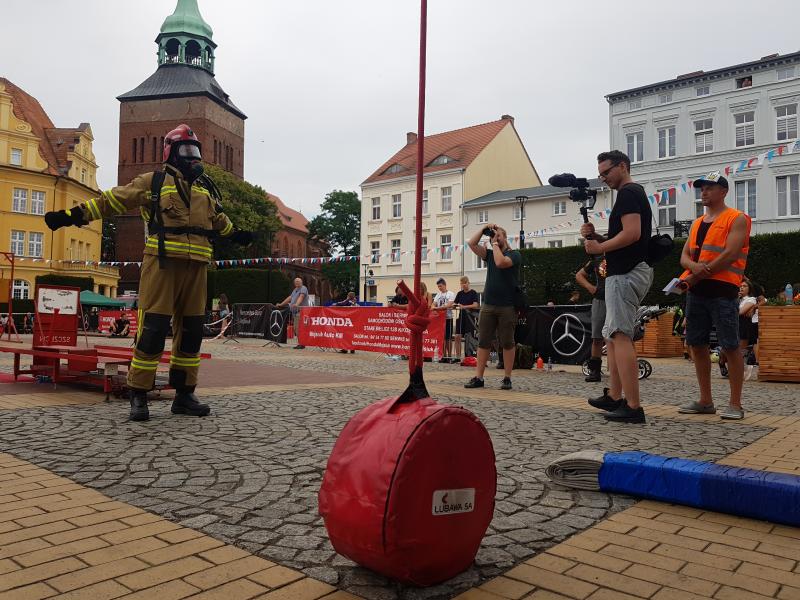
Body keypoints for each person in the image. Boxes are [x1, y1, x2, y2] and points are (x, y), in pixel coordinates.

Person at [44, 123, 253, 422]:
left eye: (196, 151)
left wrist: (238, 235)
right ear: (171, 153)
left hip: (197, 270)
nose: (193, 158)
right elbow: (112, 200)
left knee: (192, 333)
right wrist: (71, 215)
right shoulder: (152, 182)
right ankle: (138, 394)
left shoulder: (204, 192)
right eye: (187, 151)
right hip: (162, 264)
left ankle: (184, 394)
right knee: (153, 330)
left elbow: (218, 220)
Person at [581, 150, 653, 423]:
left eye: (606, 172)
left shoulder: (628, 192)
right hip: (625, 272)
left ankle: (633, 407)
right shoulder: (632, 193)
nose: (604, 178)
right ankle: (614, 396)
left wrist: (600, 246)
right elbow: (627, 235)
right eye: (600, 174)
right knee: (612, 336)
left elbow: (632, 234)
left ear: (622, 166)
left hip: (626, 273)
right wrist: (600, 237)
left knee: (620, 335)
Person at [674, 171, 751, 420]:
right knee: (696, 344)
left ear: (723, 192)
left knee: (730, 345)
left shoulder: (737, 218)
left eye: (709, 187)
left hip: (722, 291)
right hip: (697, 292)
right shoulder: (697, 223)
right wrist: (695, 269)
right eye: (702, 188)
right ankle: (705, 400)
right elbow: (684, 256)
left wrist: (698, 271)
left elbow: (730, 253)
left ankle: (736, 404)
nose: (704, 192)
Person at [465, 224, 521, 390]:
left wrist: (495, 244)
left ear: (505, 238)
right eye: (494, 236)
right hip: (489, 304)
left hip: (507, 306)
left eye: (499, 235)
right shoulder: (489, 254)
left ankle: (507, 377)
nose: (495, 238)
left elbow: (500, 263)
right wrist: (483, 230)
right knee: (483, 341)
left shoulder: (514, 254)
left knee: (507, 342)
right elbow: (471, 244)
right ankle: (479, 377)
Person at [576, 256, 607, 382]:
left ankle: (621, 369)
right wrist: (591, 288)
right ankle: (595, 371)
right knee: (597, 337)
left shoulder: (622, 256)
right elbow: (579, 275)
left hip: (618, 298)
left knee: (618, 337)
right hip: (600, 299)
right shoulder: (596, 260)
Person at [277, 277, 309, 349]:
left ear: (301, 282)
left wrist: (297, 304)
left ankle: (301, 344)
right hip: (295, 312)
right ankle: (301, 343)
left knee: (298, 328)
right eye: (296, 282)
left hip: (301, 311)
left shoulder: (303, 288)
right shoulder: (295, 290)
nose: (297, 283)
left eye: (298, 281)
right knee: (296, 328)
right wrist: (281, 304)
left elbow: (301, 296)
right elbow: (290, 298)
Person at [454, 276, 480, 359]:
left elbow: (476, 305)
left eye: (465, 283)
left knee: (469, 337)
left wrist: (464, 306)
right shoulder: (459, 293)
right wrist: (455, 305)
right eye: (462, 283)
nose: (464, 285)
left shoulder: (473, 293)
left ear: (468, 283)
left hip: (470, 318)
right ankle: (457, 357)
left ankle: (470, 355)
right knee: (457, 336)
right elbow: (455, 304)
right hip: (461, 317)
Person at [432, 278, 456, 362]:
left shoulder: (451, 294)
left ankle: (449, 356)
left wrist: (437, 308)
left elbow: (449, 305)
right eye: (438, 286)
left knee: (448, 338)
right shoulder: (438, 295)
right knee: (442, 338)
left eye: (441, 286)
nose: (439, 288)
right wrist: (435, 308)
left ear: (445, 285)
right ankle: (443, 355)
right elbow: (433, 304)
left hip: (448, 318)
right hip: (440, 320)